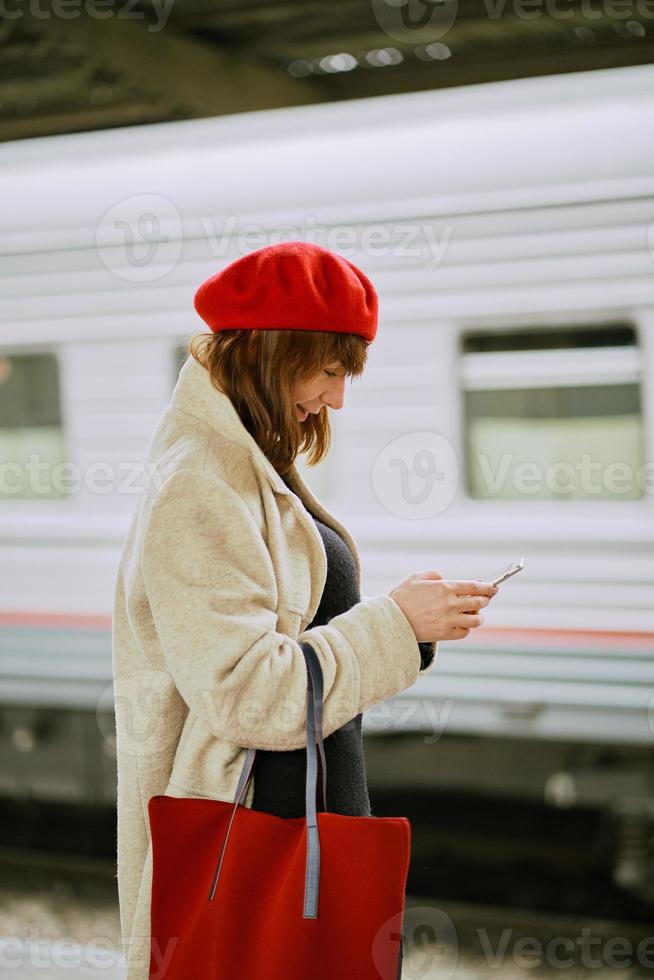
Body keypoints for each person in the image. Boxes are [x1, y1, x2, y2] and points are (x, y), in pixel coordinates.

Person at [111, 240, 498, 980]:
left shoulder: (245, 463)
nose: (338, 398)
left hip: (293, 824)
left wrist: (399, 622)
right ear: (274, 350)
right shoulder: (202, 483)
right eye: (330, 370)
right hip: (253, 836)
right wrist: (396, 624)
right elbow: (246, 693)